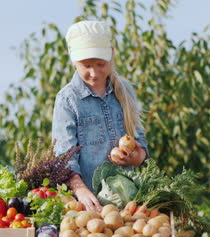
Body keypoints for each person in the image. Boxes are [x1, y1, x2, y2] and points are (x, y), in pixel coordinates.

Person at [52, 20, 148, 212]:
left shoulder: (126, 91)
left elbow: (141, 147)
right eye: (86, 65)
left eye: (100, 64)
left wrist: (135, 157)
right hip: (86, 207)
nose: (94, 73)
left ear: (111, 54)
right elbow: (64, 157)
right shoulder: (68, 100)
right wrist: (81, 191)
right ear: (73, 60)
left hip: (127, 207)